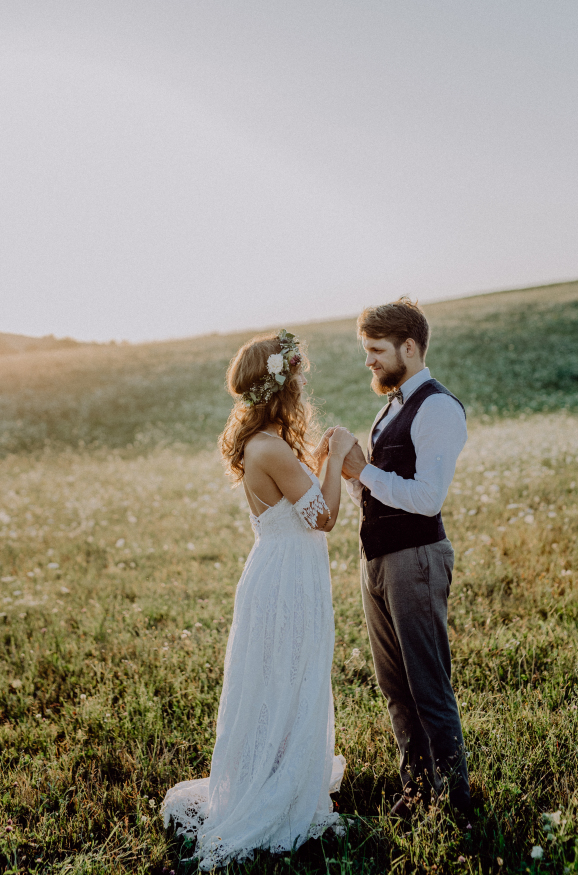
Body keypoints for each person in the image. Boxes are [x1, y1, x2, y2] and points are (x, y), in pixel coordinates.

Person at [162, 329, 357, 869]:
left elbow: (305, 505)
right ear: (281, 385)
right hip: (287, 579)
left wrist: (318, 467)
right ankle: (276, 792)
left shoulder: (264, 444)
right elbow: (324, 517)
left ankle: (277, 772)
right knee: (286, 676)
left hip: (282, 571)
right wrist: (337, 451)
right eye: (295, 377)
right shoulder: (269, 447)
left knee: (281, 676)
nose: (300, 386)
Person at [341, 298, 471, 817]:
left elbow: (426, 497)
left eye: (376, 350)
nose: (368, 361)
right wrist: (353, 475)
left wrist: (365, 471)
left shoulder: (437, 407)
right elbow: (379, 490)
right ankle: (416, 795)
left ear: (409, 348)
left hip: (416, 559)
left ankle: (457, 802)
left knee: (427, 686)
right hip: (377, 559)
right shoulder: (390, 405)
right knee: (395, 687)